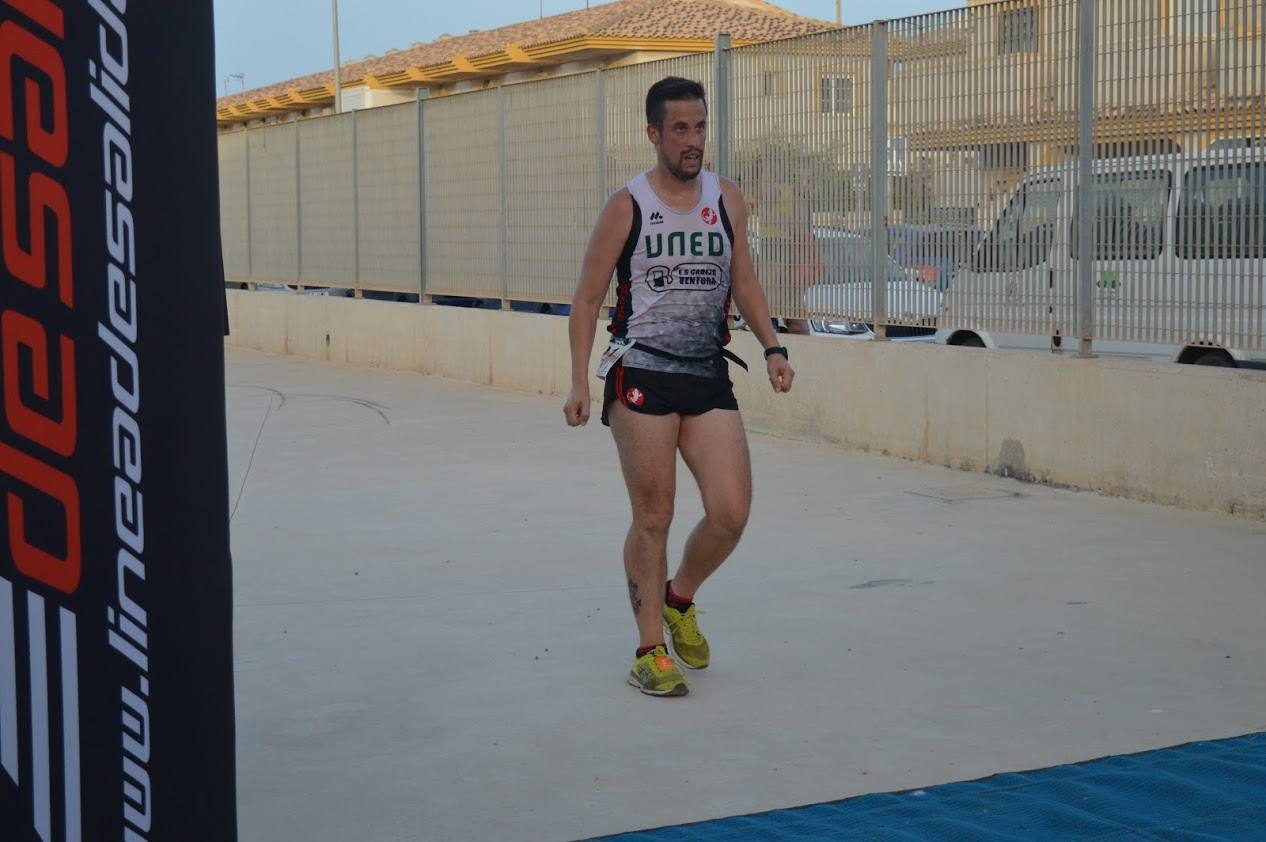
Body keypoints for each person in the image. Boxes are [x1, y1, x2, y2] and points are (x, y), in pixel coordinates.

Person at [563, 77, 795, 697]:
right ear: (654, 135)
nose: (693, 142)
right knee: (655, 515)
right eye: (680, 130)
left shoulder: (727, 198)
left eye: (700, 128)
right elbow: (586, 299)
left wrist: (772, 345)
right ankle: (648, 649)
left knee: (730, 512)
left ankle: (679, 597)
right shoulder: (628, 206)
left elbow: (743, 282)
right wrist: (579, 381)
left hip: (706, 373)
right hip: (641, 375)